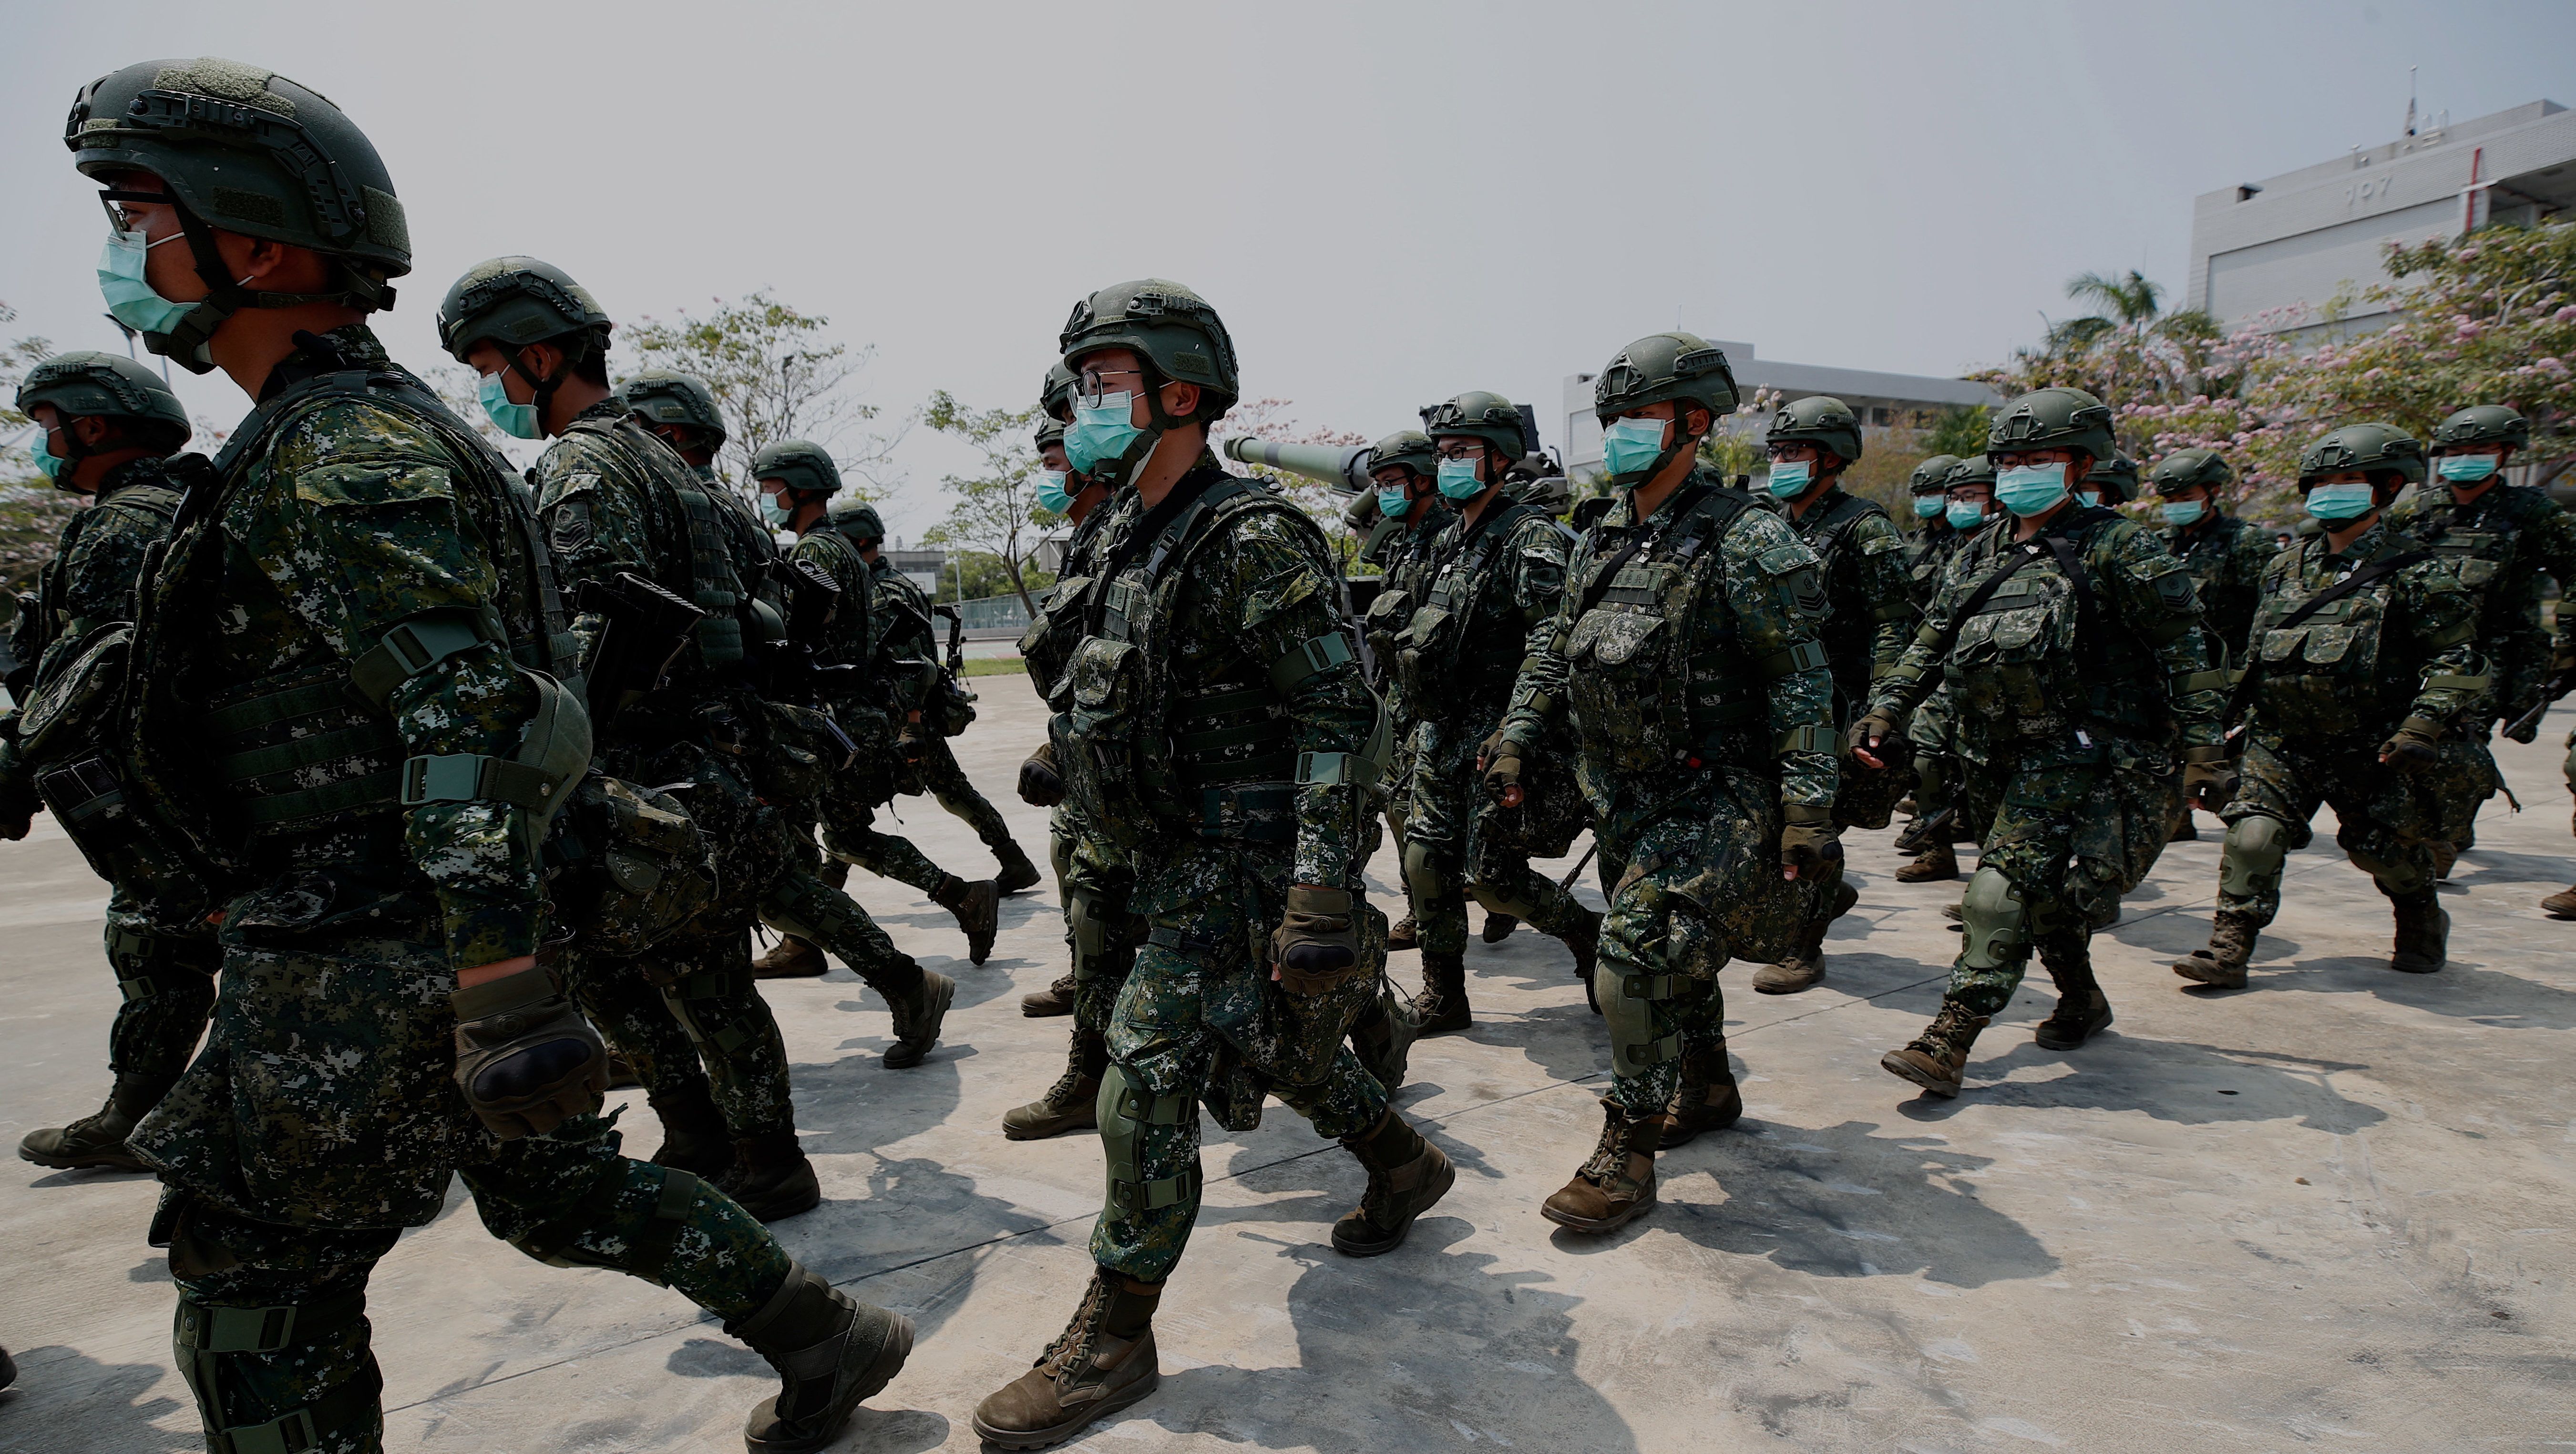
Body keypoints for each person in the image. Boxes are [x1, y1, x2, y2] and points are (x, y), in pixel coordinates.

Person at [70, 58, 904, 1451]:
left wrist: (504, 986)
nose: (123, 253)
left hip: (372, 934)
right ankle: (826, 1328)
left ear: (255, 240)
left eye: (140, 215)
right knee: (557, 1188)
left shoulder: (346, 450)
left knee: (253, 1274)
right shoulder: (319, 436)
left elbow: (470, 721)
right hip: (408, 918)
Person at [971, 280, 1449, 1448]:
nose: (1084, 405)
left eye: (1106, 382)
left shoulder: (1246, 533)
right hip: (1154, 850)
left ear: (1179, 393)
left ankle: (1114, 1329)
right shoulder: (1127, 532)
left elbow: (1339, 718)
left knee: (1141, 1070)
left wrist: (1321, 892)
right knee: (1279, 1044)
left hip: (1240, 858)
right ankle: (1405, 1159)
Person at [439, 256, 950, 1218]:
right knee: (679, 973)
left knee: (674, 977)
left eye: (489, 367)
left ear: (540, 357)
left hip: (640, 765)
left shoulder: (588, 465)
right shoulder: (684, 477)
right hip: (710, 759)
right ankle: (712, 1134)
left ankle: (755, 1154)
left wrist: (535, 753)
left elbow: (596, 621)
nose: (487, 391)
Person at [1488, 332, 1837, 1232]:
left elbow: (1799, 680)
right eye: (1611, 421)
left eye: (1635, 418)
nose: (1617, 437)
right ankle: (1708, 1084)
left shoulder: (1747, 537)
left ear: (1691, 423)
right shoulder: (1601, 532)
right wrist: (1520, 734)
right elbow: (1550, 650)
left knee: (1633, 959)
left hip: (1714, 791)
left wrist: (1806, 807)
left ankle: (1627, 1150)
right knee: (1673, 957)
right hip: (1624, 792)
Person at [1853, 388, 2225, 1095]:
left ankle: (1949, 1035)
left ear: (2082, 464)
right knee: (2041, 895)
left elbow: (2186, 649)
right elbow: (1929, 642)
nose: (2019, 471)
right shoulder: (1976, 554)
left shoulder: (2119, 546)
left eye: (2039, 458)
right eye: (2010, 459)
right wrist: (1885, 711)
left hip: (2079, 754)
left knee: (1994, 890)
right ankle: (2082, 998)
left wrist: (2204, 746)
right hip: (1991, 753)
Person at [2172, 424, 2483, 986]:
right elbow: (2253, 655)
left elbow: (2460, 662)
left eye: (2348, 480)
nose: (2330, 491)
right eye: (2321, 481)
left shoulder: (2418, 572)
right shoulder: (2283, 567)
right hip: (2281, 740)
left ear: (2387, 487)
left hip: (2372, 746)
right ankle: (2229, 948)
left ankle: (2421, 916)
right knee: (2252, 835)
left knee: (2379, 851)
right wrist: (2208, 728)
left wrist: (2422, 725)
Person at [4, 352, 217, 1172]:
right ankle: (144, 1113)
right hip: (197, 778)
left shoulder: (124, 523)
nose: (44, 444)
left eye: (49, 425)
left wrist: (16, 771)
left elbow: (86, 680)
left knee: (161, 945)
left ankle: (151, 1119)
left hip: (163, 791)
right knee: (170, 947)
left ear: (91, 424)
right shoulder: (178, 506)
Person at [1390, 392, 1599, 1033]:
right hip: (1440, 729)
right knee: (1425, 862)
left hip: (1497, 733)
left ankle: (1584, 930)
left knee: (1492, 877)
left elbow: (1549, 640)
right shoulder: (1447, 538)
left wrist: (1516, 731)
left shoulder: (1527, 536)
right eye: (1443, 453)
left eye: (1462, 452)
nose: (1449, 463)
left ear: (1501, 459)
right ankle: (1443, 994)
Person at [753, 440, 1006, 964]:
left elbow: (802, 638)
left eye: (770, 488)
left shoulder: (815, 552)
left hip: (837, 714)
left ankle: (963, 897)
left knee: (845, 837)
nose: (765, 498)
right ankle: (804, 942)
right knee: (841, 833)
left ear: (798, 490)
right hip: (856, 711)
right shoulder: (839, 548)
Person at [1749, 396, 1914, 991]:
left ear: (1831, 458)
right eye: (1777, 451)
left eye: (1793, 451)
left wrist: (1882, 708)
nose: (1781, 461)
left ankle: (1803, 947)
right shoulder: (1767, 520)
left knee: (1811, 820)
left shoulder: (1863, 528)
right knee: (1760, 821)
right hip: (1769, 697)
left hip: (1834, 701)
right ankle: (1827, 890)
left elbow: (1897, 623)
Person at [2391, 405, 2576, 884]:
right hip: (2419, 649)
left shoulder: (2533, 513)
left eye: (2478, 451)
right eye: (2454, 451)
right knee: (2415, 740)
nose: (2463, 459)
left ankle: (2442, 837)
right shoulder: (2417, 510)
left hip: (2494, 653)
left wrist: (2568, 644)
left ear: (2506, 453)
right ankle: (2452, 816)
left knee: (2455, 738)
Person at [1356, 429, 1453, 955]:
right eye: (1379, 483)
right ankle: (1421, 909)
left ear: (1423, 480)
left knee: (1429, 815)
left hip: (1437, 701)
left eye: (1392, 481)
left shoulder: (1450, 538)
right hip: (1398, 697)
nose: (1385, 492)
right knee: (1396, 806)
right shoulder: (1401, 542)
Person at [2149, 446, 2275, 843]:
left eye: (2185, 498)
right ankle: (2177, 821)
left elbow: (2268, 612)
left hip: (2226, 673)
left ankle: (2259, 824)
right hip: (2169, 668)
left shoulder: (2247, 543)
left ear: (2211, 493)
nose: (2176, 507)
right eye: (2170, 501)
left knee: (2224, 767)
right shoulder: (2156, 544)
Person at [1892, 453, 1989, 885]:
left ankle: (2001, 880)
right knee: (1924, 755)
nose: (1955, 504)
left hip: (2000, 676)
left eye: (1970, 496)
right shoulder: (1947, 549)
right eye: (1953, 496)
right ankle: (1937, 848)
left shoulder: (1998, 546)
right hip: (1940, 668)